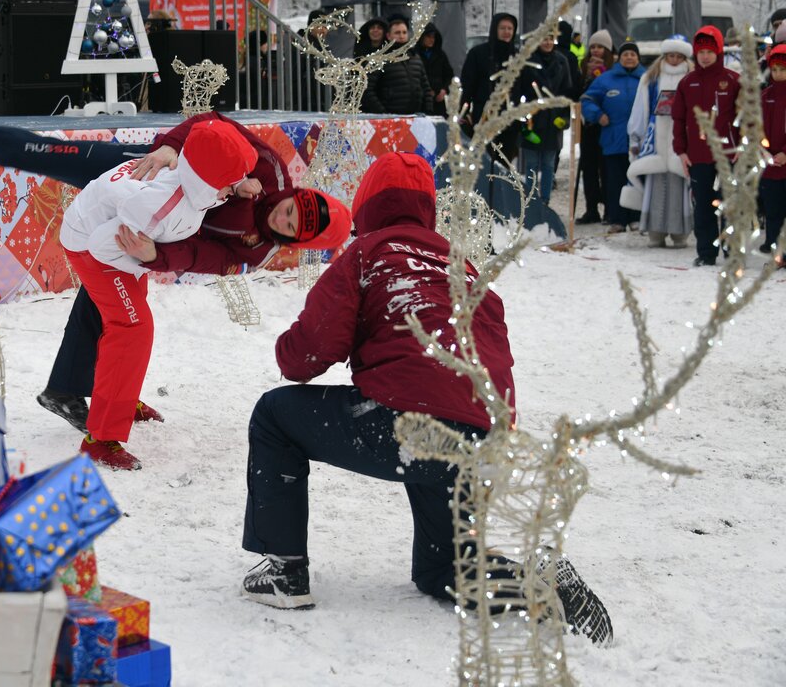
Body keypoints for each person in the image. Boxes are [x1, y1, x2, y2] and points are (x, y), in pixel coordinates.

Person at [237, 151, 612, 646]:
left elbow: (306, 355)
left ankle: (284, 571)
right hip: (482, 438)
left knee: (274, 415)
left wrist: (292, 346)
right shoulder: (464, 266)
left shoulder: (368, 252)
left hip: (408, 422)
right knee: (447, 569)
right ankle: (537, 587)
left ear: (366, 203)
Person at [37, 111, 351, 437]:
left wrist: (157, 257)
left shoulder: (259, 250)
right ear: (295, 195)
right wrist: (171, 146)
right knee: (130, 324)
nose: (280, 218)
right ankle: (101, 425)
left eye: (289, 226)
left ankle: (105, 396)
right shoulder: (269, 168)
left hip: (156, 235)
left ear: (295, 241)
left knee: (120, 311)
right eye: (289, 209)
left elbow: (201, 256)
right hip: (157, 183)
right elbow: (214, 126)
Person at [57, 118, 257, 470]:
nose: (234, 187)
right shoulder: (161, 204)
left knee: (131, 325)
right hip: (92, 246)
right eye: (230, 181)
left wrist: (147, 258)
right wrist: (147, 258)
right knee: (132, 328)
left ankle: (120, 400)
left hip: (112, 241)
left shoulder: (190, 181)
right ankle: (99, 440)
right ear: (207, 179)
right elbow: (102, 245)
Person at [672, 26, 740, 266]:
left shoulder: (733, 81)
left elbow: (747, 118)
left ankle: (732, 253)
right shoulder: (687, 83)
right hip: (698, 155)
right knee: (702, 206)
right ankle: (706, 253)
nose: (705, 56)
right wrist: (681, 151)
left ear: (719, 51)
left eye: (710, 51)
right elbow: (678, 119)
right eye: (701, 51)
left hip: (729, 155)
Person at [624, 35, 694, 248]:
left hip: (682, 141)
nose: (674, 60)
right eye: (671, 56)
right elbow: (640, 109)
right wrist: (635, 137)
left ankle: (680, 233)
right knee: (655, 187)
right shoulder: (651, 78)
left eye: (678, 56)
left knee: (681, 187)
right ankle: (655, 232)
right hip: (654, 142)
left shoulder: (692, 78)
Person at [582, 41, 645, 232]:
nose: (629, 58)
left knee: (638, 179)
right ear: (619, 58)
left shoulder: (647, 79)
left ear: (638, 58)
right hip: (613, 139)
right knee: (615, 180)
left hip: (640, 141)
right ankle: (617, 219)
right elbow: (587, 100)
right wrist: (598, 115)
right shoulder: (605, 79)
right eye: (626, 54)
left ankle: (636, 217)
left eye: (633, 55)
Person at [518, 31, 573, 205]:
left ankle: (545, 200)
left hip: (553, 118)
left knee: (549, 163)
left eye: (550, 39)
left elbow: (567, 90)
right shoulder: (528, 61)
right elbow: (519, 88)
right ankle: (530, 200)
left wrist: (564, 117)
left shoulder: (561, 61)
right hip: (532, 118)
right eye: (544, 39)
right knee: (532, 163)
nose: (547, 42)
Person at [460, 12, 520, 159]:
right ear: (495, 29)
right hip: (483, 115)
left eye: (510, 28)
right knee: (483, 159)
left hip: (509, 118)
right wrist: (463, 109)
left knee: (505, 160)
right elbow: (468, 83)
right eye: (502, 28)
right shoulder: (478, 53)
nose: (506, 32)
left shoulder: (517, 56)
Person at [575, 30, 616, 223]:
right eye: (593, 47)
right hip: (588, 126)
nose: (596, 50)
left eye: (600, 47)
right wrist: (587, 77)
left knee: (606, 168)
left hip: (606, 125)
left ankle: (609, 207)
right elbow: (578, 93)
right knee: (588, 167)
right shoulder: (584, 68)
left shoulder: (613, 69)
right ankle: (591, 208)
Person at [363, 15, 432, 116]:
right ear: (388, 36)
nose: (401, 36)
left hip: (416, 116)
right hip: (390, 116)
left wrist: (428, 110)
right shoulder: (379, 59)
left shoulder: (415, 57)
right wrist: (383, 113)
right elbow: (367, 89)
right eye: (397, 32)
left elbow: (426, 87)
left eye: (404, 32)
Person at [760, 43, 786, 264]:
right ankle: (776, 253)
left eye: (783, 69)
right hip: (770, 165)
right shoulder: (765, 96)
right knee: (773, 212)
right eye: (774, 69)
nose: (778, 74)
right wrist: (763, 151)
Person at [417, 24, 454, 116]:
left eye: (433, 37)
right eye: (429, 37)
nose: (432, 40)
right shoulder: (415, 55)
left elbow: (449, 75)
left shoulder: (440, 55)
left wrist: (444, 90)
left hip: (439, 101)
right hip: (421, 102)